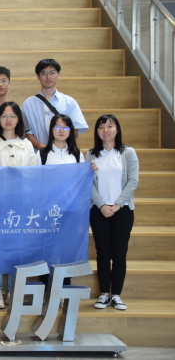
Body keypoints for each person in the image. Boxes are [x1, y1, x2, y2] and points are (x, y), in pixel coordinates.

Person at [0, 101, 36, 308]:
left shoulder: (27, 144)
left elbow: (33, 173)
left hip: (21, 203)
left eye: (13, 116)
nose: (8, 120)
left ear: (19, 120)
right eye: (4, 116)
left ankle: (14, 290)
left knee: (18, 248)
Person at [36, 114, 97, 290]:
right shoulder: (42, 154)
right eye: (57, 126)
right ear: (51, 130)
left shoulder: (77, 155)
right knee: (47, 249)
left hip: (71, 211)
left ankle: (64, 288)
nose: (61, 130)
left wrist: (92, 170)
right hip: (48, 211)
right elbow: (36, 181)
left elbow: (83, 182)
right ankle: (46, 289)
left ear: (71, 131)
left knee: (67, 250)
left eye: (65, 127)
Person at [86, 114, 139, 311]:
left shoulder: (128, 153)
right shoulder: (91, 154)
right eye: (101, 127)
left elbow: (133, 181)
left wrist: (117, 205)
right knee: (102, 253)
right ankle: (103, 294)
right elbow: (88, 183)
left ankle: (116, 294)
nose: (105, 130)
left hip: (122, 210)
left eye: (110, 126)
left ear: (117, 129)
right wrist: (101, 205)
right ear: (97, 132)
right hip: (99, 211)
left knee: (119, 253)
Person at [21, 59, 88, 150]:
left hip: (63, 153)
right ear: (38, 76)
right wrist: (43, 149)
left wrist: (58, 149)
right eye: (44, 73)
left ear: (58, 74)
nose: (48, 77)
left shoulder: (69, 102)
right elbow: (26, 133)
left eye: (52, 72)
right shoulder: (28, 104)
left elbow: (75, 130)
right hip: (38, 155)